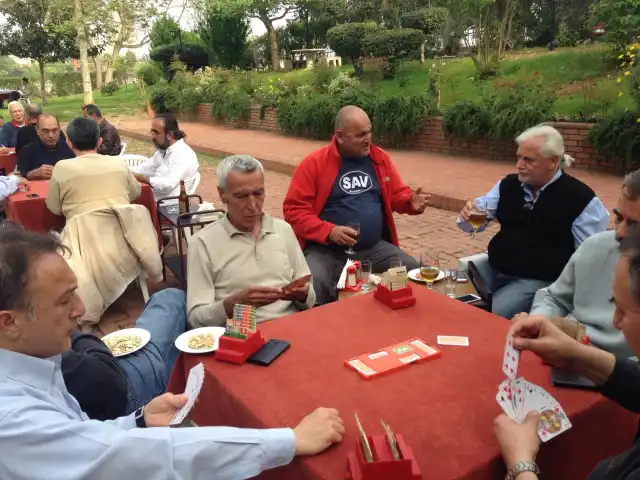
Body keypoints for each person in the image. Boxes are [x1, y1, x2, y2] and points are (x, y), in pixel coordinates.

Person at [0, 225, 345, 479]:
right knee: (170, 301)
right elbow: (143, 457)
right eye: (64, 300)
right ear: (9, 322)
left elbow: (80, 439)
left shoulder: (36, 359)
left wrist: (138, 420)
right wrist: (289, 441)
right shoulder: (12, 418)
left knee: (167, 301)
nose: (80, 309)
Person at [494, 226, 640, 480]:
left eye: (623, 311)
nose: (614, 322)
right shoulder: (596, 247)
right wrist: (576, 355)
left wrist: (521, 465)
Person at [457, 124, 609, 319]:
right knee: (452, 298)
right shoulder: (509, 184)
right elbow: (472, 222)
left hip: (536, 281)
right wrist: (467, 217)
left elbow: (590, 257)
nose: (519, 165)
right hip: (491, 269)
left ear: (553, 161)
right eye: (519, 157)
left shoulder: (581, 199)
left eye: (528, 160)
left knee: (488, 316)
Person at [283, 105, 429, 306]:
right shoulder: (314, 164)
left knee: (413, 273)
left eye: (369, 131)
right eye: (361, 135)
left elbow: (396, 193)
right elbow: (294, 210)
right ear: (340, 136)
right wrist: (329, 231)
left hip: (373, 248)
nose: (368, 139)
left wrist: (409, 201)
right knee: (311, 290)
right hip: (326, 251)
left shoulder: (378, 159)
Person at [187, 155, 315, 327]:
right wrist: (231, 305)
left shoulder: (283, 230)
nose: (253, 204)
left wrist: (302, 294)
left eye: (258, 193)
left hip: (290, 327)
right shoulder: (202, 243)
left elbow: (310, 297)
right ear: (222, 195)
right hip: (240, 338)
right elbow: (196, 318)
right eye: (241, 196)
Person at [529, 171, 640, 359]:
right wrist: (539, 322)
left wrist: (586, 359)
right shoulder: (596, 246)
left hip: (618, 375)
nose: (619, 233)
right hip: (563, 355)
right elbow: (554, 297)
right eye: (619, 218)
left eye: (635, 226)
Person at [63, 288, 187, 421]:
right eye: (62, 301)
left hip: (103, 388)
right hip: (116, 395)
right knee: (170, 298)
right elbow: (104, 376)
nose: (81, 308)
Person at [45, 117, 140, 220]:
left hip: (81, 234)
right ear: (99, 142)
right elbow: (135, 193)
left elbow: (54, 207)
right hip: (121, 231)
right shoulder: (119, 164)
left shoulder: (61, 168)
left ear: (69, 142)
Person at [132, 113, 199, 202]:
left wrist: (145, 179)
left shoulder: (183, 155)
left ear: (170, 135)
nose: (152, 136)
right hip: (155, 199)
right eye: (152, 132)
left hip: (169, 207)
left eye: (156, 133)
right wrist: (123, 170)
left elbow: (168, 185)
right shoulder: (162, 151)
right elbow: (144, 169)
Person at [17, 113, 74, 180]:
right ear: (37, 130)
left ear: (59, 129)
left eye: (54, 130)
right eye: (45, 131)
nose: (51, 135)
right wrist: (30, 175)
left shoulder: (69, 148)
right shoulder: (26, 152)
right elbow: (17, 178)